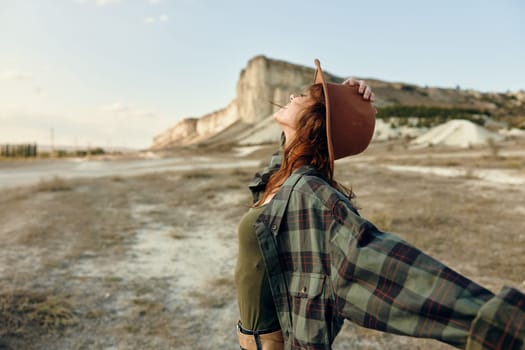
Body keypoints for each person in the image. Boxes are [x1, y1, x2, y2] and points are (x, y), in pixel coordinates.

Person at [234, 59, 525, 350]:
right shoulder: (283, 176)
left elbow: (393, 272)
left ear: (316, 120)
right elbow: (286, 155)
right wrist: (346, 101)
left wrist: (503, 324)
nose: (292, 96)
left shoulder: (311, 195)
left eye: (304, 96)